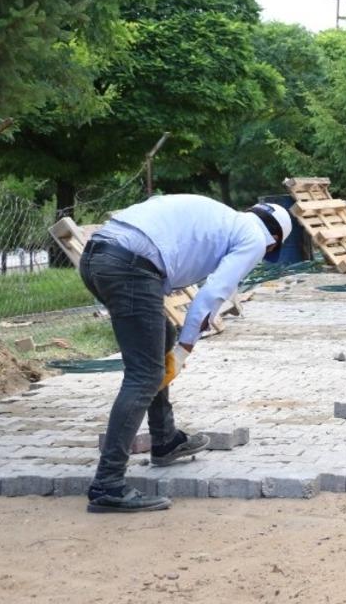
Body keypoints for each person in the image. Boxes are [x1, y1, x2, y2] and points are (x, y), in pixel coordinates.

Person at [78, 195, 292, 513]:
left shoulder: (224, 219)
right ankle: (107, 484)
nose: (264, 256)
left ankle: (165, 440)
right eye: (269, 251)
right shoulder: (253, 239)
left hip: (97, 255)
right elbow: (211, 296)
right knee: (145, 374)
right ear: (273, 241)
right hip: (130, 265)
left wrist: (175, 343)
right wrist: (185, 348)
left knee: (159, 335)